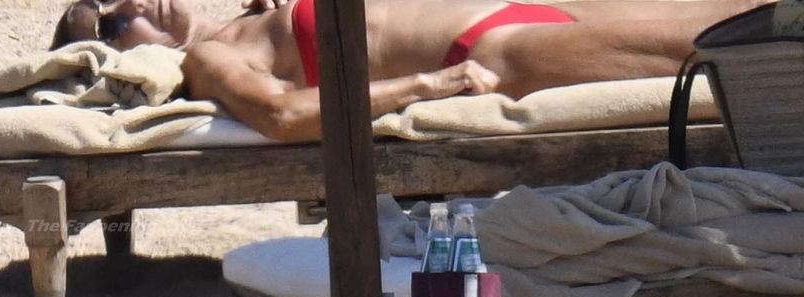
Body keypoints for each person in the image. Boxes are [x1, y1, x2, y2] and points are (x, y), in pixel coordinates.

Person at [52, 0, 760, 141]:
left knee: (753, 11)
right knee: (724, 43)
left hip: (517, 8)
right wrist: (430, 86)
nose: (134, 3)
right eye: (111, 20)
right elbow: (282, 115)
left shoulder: (253, 13)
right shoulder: (212, 58)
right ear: (123, 53)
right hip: (488, 49)